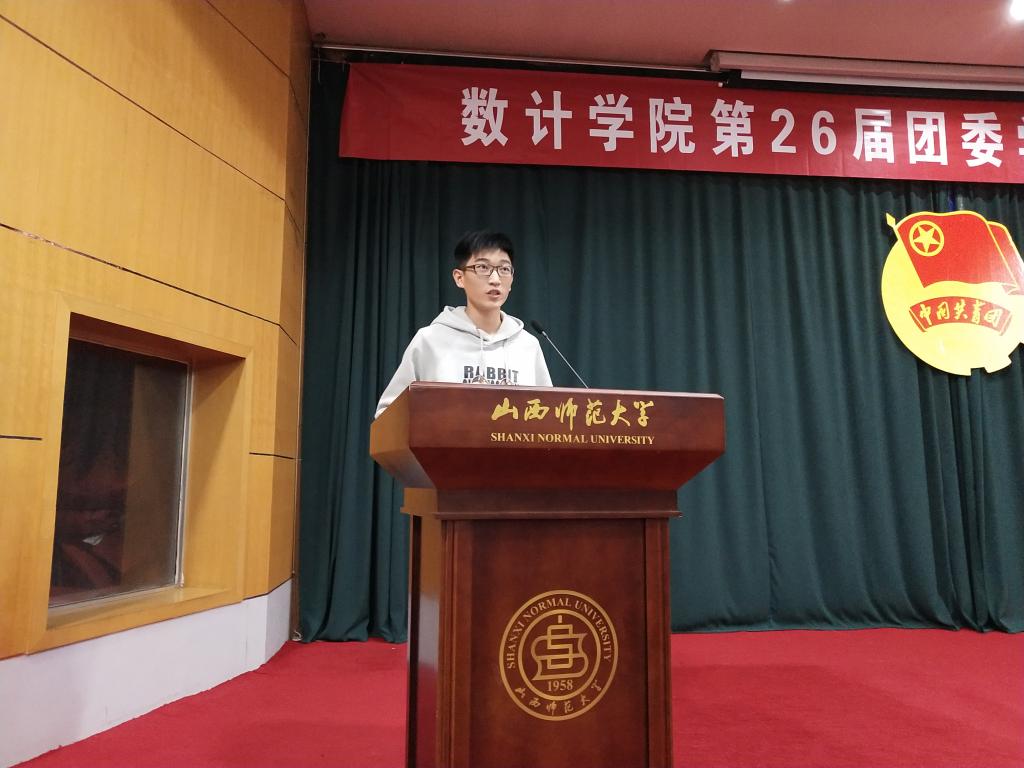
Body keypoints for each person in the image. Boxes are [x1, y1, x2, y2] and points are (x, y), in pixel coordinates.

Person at [374, 230, 552, 418]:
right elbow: (387, 415)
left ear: (512, 280)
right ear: (459, 278)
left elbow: (549, 416)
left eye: (504, 269)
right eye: (483, 267)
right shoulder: (430, 340)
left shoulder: (527, 345)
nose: (495, 279)